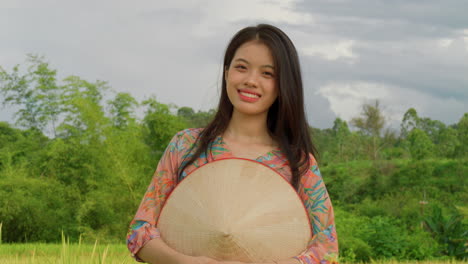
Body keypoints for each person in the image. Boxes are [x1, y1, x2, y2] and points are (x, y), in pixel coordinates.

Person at [126, 24, 338, 264]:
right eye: (241, 68)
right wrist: (185, 262)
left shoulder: (299, 164)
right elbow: (139, 233)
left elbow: (326, 250)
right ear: (226, 72)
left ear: (283, 85)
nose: (250, 80)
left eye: (267, 74)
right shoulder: (185, 147)